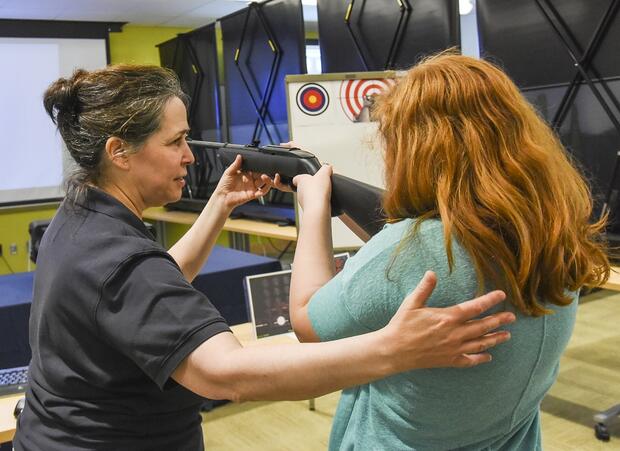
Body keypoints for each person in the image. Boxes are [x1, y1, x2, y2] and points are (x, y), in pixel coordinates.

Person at [13, 65, 516, 451]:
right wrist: (393, 351)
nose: (189, 155)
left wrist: (220, 205)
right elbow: (226, 374)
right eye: (176, 141)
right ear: (119, 151)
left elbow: (156, 283)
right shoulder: (117, 259)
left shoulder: (81, 214)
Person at [288, 52, 610, 450]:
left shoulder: (411, 251)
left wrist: (316, 208)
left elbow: (307, 322)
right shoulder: (555, 233)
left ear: (420, 149)